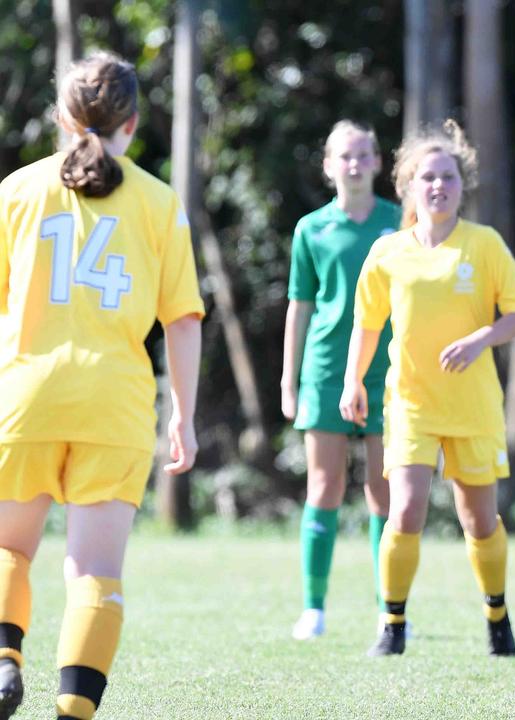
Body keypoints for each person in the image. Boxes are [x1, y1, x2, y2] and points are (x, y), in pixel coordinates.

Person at [0, 52, 204, 720]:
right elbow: (181, 320)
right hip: (114, 406)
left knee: (7, 550)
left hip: (27, 396)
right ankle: (73, 712)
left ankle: (4, 658)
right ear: (134, 122)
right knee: (93, 573)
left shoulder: (18, 190)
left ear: (61, 116)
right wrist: (184, 416)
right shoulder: (157, 201)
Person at [340, 120, 515, 658]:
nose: (438, 186)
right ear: (406, 185)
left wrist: (482, 338)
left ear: (461, 184)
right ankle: (392, 625)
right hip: (410, 403)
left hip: (472, 406)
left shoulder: (484, 244)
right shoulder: (388, 252)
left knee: (480, 520)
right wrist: (352, 380)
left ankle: (497, 615)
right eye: (427, 177)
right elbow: (367, 323)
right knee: (405, 512)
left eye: (447, 176)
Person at [282, 120, 400, 641]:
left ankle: (389, 611)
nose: (354, 164)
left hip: (387, 370)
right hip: (326, 370)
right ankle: (314, 608)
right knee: (324, 486)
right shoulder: (311, 228)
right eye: (344, 156)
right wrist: (289, 381)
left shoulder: (401, 223)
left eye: (363, 155)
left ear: (378, 162)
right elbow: (299, 306)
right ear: (329, 166)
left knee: (383, 491)